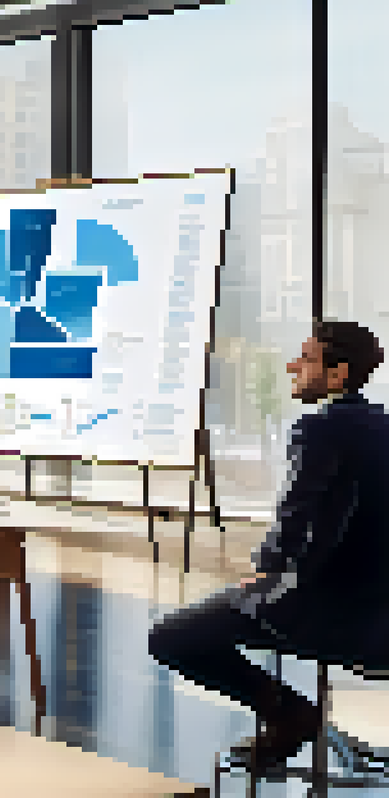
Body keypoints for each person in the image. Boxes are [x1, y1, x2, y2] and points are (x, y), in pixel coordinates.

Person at [149, 320, 389, 775]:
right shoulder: (383, 426)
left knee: (171, 637)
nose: (292, 366)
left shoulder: (320, 428)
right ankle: (291, 714)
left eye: (306, 358)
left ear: (338, 375)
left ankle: (288, 713)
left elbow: (298, 511)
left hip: (331, 614)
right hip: (381, 618)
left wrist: (268, 570)